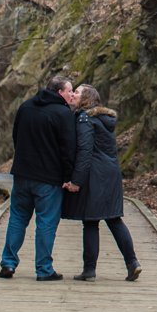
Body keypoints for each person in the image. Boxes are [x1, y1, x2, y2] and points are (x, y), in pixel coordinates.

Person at [0, 75, 78, 281]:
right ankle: (44, 269)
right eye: (70, 91)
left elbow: (16, 137)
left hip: (22, 174)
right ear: (60, 92)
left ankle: (8, 263)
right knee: (46, 223)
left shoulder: (26, 107)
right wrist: (69, 176)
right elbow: (68, 149)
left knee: (17, 218)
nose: (72, 94)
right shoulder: (63, 113)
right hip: (49, 179)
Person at [62, 84, 142, 282]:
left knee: (90, 221)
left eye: (78, 92)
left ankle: (89, 270)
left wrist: (76, 181)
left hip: (94, 174)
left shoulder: (84, 118)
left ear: (86, 99)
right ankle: (133, 263)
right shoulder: (104, 119)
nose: (74, 94)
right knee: (114, 218)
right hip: (111, 173)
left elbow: (85, 150)